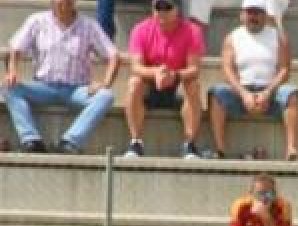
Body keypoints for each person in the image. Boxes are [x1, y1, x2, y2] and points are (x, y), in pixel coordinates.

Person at [5, 0, 119, 154]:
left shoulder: (88, 25)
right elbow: (15, 48)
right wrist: (12, 71)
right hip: (43, 86)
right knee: (9, 89)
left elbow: (113, 55)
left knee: (106, 96)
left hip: (77, 89)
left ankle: (70, 142)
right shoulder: (37, 21)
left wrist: (105, 83)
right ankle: (31, 140)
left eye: (67, 0)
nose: (63, 3)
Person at [207, 0, 298, 161]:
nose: (253, 16)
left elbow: (284, 70)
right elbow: (227, 70)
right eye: (250, 12)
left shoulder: (279, 36)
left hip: (271, 91)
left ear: (265, 15)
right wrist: (244, 94)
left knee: (291, 94)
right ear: (242, 15)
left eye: (257, 12)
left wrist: (267, 92)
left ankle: (291, 149)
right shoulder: (232, 38)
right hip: (241, 91)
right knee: (217, 94)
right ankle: (220, 149)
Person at [123, 0, 206, 159]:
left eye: (167, 7)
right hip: (150, 85)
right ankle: (136, 142)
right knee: (134, 82)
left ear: (177, 10)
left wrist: (173, 75)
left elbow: (194, 69)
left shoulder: (192, 31)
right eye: (158, 7)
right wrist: (156, 72)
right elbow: (136, 67)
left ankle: (190, 144)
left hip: (177, 86)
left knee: (193, 85)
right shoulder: (140, 29)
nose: (162, 11)